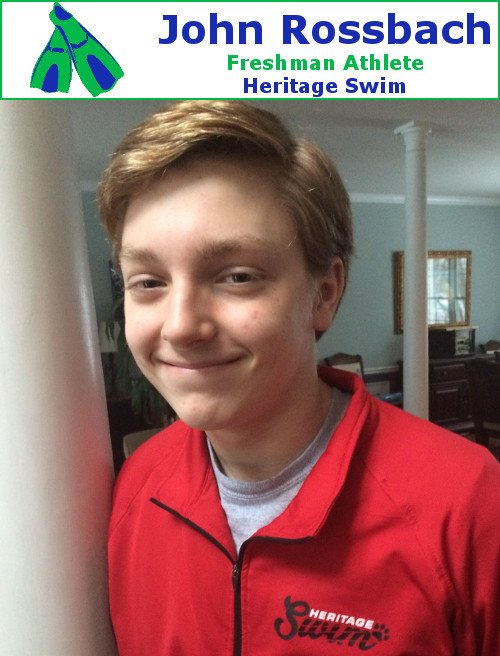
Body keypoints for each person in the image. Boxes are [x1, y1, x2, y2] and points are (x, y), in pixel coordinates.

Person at [99, 101, 500, 655]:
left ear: (324, 293)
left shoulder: (469, 503)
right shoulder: (136, 487)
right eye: (148, 282)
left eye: (237, 276)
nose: (181, 326)